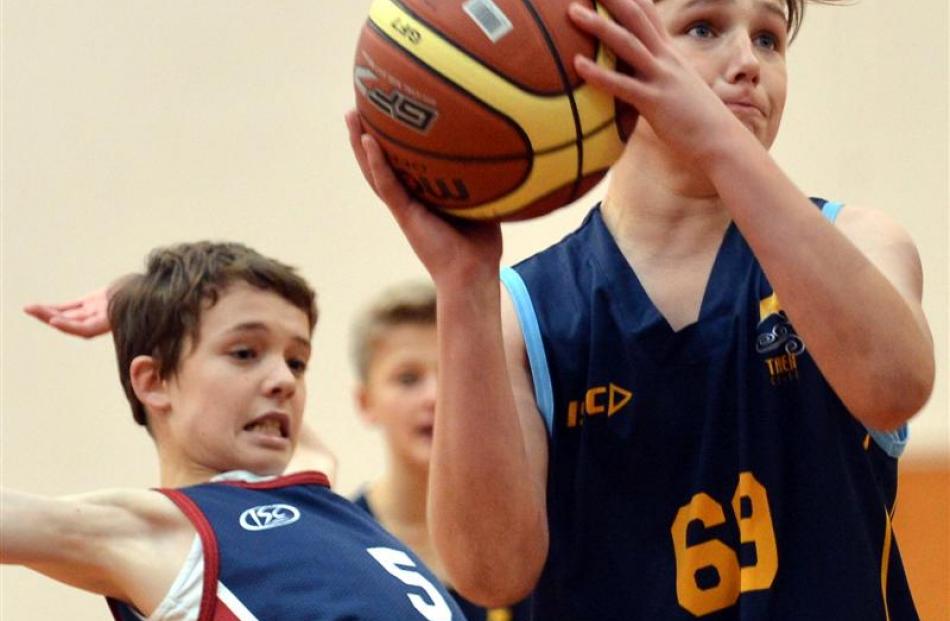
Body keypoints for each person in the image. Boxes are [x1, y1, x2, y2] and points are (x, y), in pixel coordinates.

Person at [346, 0, 936, 619]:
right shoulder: (520, 315)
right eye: (703, 29)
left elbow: (894, 384)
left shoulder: (860, 240)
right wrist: (463, 283)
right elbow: (491, 574)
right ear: (606, 56)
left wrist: (716, 138)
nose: (747, 62)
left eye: (769, 39)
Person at [4, 241, 464, 621]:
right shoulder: (157, 530)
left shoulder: (305, 486)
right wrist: (152, 310)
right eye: (245, 352)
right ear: (153, 381)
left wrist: (144, 301)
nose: (285, 380)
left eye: (297, 361)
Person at [350, 281, 531, 621]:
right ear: (365, 402)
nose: (436, 396)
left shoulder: (526, 536)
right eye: (408, 379)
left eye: (453, 372)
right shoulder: (342, 544)